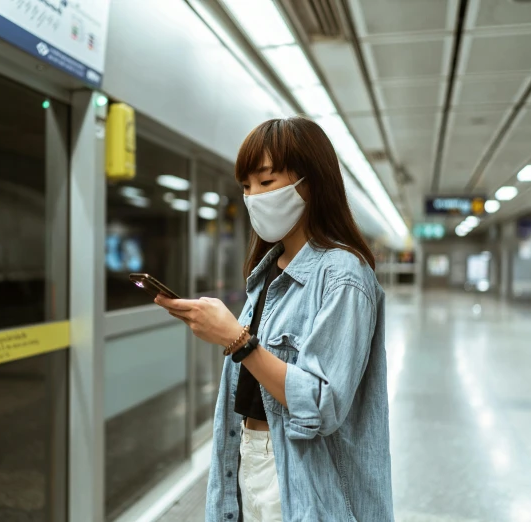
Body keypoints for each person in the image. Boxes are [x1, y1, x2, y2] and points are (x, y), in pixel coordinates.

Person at [155, 117, 394, 521]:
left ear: (311, 183)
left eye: (266, 183)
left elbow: (323, 404)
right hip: (249, 452)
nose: (253, 197)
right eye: (246, 186)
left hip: (302, 473)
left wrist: (238, 341)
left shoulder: (343, 275)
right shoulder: (268, 270)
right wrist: (223, 332)